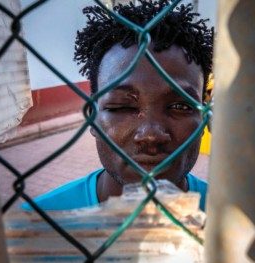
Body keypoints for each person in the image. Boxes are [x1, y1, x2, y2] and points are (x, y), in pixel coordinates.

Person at [24, 0, 214, 212]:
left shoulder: (236, 221)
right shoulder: (37, 220)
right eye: (121, 107)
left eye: (180, 106)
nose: (151, 135)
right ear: (93, 118)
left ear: (204, 117)